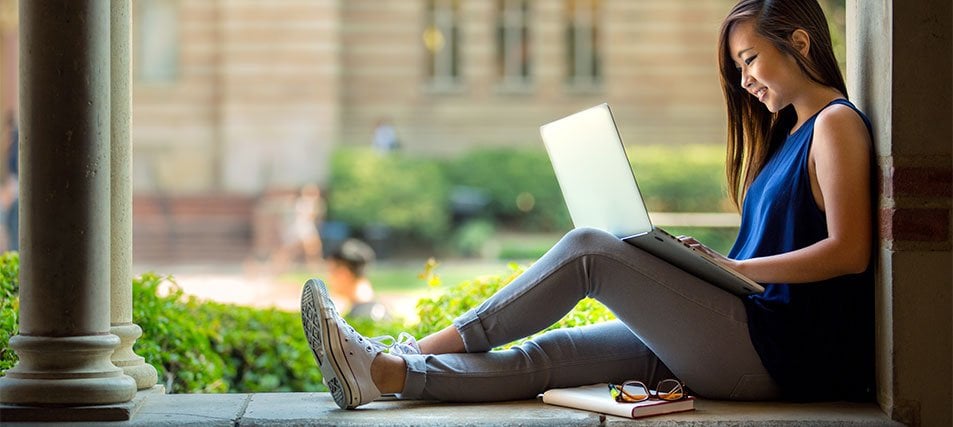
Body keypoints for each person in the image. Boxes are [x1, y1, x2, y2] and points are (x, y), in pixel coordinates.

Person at [301, 0, 874, 410]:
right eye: (739, 67)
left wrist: (737, 269)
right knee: (551, 356)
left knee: (589, 252)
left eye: (749, 59)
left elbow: (849, 252)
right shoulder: (790, 136)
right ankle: (383, 374)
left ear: (799, 42)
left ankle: (408, 349)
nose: (744, 79)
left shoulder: (836, 124)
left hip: (777, 353)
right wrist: (702, 265)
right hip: (741, 332)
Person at [326, 238, 389, 321]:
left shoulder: (360, 318)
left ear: (344, 273)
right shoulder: (380, 309)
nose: (328, 277)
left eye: (331, 271)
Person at [272, 184, 325, 273]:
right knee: (310, 249)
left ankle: (313, 267)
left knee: (311, 250)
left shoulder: (306, 203)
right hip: (303, 229)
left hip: (304, 228)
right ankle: (279, 266)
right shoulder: (306, 203)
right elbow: (310, 217)